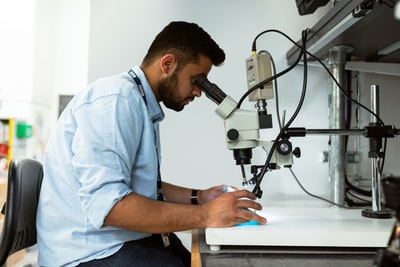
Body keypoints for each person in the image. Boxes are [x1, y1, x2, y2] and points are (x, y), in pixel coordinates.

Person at [36, 21, 267, 267]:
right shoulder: (116, 100)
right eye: (196, 79)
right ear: (168, 64)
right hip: (87, 254)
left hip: (112, 241)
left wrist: (198, 197)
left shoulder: (140, 102)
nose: (199, 92)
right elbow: (110, 207)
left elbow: (139, 185)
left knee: (198, 260)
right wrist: (207, 215)